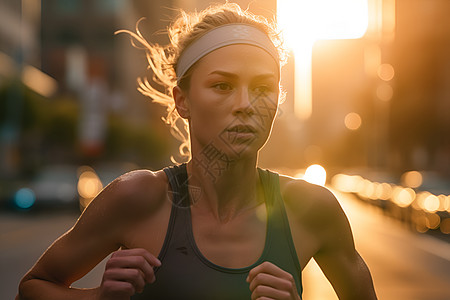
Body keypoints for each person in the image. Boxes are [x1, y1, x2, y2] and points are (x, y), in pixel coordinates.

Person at [17, 3, 377, 300]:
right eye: (222, 85)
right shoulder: (137, 198)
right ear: (182, 100)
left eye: (263, 88)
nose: (245, 104)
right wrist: (98, 298)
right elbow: (31, 289)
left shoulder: (314, 210)